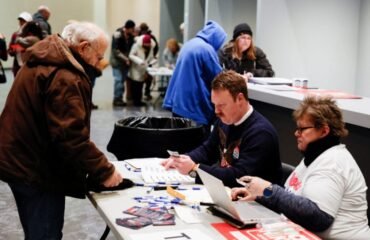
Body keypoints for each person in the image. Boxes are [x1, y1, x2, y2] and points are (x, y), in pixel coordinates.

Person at [0, 22, 123, 239]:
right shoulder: (66, 77)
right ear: (83, 47)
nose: (99, 63)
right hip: (35, 170)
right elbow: (71, 137)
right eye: (98, 55)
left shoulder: (46, 57)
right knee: (45, 234)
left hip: (18, 159)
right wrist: (105, 171)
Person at [231, 96, 370, 239]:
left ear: (324, 131)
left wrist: (269, 190)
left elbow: (318, 218)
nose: (296, 133)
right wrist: (259, 194)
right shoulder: (315, 156)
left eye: (302, 129)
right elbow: (292, 200)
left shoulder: (333, 163)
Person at [162, 71, 282, 187]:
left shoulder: (261, 133)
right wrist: (184, 160)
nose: (216, 111)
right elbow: (208, 150)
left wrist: (195, 169)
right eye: (214, 104)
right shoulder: (225, 120)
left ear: (240, 99)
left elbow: (240, 177)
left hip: (258, 203)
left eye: (222, 105)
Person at [162, 20, 227, 128]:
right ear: (216, 37)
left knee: (180, 139)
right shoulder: (206, 49)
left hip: (179, 103)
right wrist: (239, 78)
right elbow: (219, 77)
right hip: (193, 107)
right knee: (196, 142)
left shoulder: (189, 44)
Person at [110, 19, 136, 107]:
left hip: (125, 63)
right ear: (127, 28)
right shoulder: (117, 35)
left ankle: (119, 98)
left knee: (122, 80)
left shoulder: (131, 37)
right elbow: (115, 51)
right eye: (132, 29)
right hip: (117, 62)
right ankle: (117, 99)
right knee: (118, 80)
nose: (133, 31)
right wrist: (126, 59)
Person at [127, 34, 156, 106]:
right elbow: (131, 55)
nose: (147, 46)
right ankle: (136, 101)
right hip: (136, 68)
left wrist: (152, 61)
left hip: (144, 68)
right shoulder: (136, 46)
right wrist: (139, 61)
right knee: (136, 85)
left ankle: (139, 100)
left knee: (140, 85)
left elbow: (151, 57)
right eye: (145, 45)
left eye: (148, 45)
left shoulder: (151, 46)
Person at [8, 11, 33, 77]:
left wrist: (23, 48)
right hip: (17, 67)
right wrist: (15, 48)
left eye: (24, 21)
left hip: (30, 67)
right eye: (20, 21)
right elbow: (10, 51)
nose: (21, 23)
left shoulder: (33, 35)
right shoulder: (15, 35)